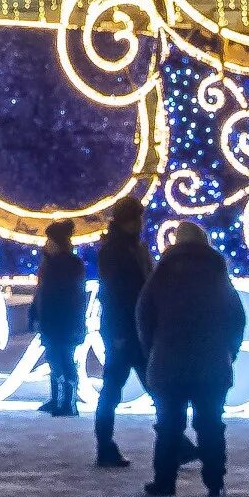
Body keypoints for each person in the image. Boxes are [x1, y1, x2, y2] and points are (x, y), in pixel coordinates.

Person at [135, 220, 246, 497]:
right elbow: (236, 316)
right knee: (211, 422)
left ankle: (164, 481)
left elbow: (144, 313)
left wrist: (153, 348)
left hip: (169, 360)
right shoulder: (217, 270)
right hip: (211, 362)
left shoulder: (163, 270)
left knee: (169, 424)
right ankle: (214, 481)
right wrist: (230, 350)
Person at [89, 197, 153, 469]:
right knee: (122, 387)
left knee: (127, 386)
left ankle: (105, 444)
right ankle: (104, 444)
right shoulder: (117, 250)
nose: (141, 222)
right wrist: (118, 332)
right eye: (137, 217)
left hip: (131, 328)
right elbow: (116, 293)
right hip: (125, 329)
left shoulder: (129, 247)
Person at [30, 220, 89, 416]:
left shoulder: (68, 264)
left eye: (50, 241)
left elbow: (65, 296)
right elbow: (41, 293)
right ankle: (57, 398)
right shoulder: (50, 263)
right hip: (52, 321)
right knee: (54, 359)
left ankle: (68, 402)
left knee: (65, 359)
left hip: (64, 322)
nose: (46, 244)